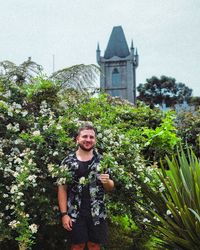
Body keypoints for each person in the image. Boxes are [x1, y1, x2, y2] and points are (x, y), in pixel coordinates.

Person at [58, 123, 114, 250]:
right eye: (85, 136)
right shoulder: (67, 162)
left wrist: (107, 182)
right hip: (74, 213)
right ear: (77, 138)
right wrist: (64, 214)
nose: (88, 140)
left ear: (95, 140)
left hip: (97, 212)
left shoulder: (102, 161)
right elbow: (62, 189)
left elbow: (110, 187)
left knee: (94, 245)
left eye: (91, 137)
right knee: (77, 246)